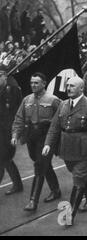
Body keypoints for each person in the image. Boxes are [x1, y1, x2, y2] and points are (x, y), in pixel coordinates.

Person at [42, 76, 87, 226]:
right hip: (67, 149)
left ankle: (68, 215)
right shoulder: (63, 105)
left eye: (72, 86)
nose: (68, 88)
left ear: (81, 89)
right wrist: (48, 144)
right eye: (67, 86)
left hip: (86, 149)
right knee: (79, 175)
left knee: (78, 177)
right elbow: (54, 127)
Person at [11, 73, 61, 211]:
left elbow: (62, 119)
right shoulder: (27, 100)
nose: (33, 85)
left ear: (44, 83)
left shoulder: (53, 100)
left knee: (39, 166)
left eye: (36, 83)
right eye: (32, 82)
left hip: (47, 137)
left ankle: (33, 201)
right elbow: (19, 118)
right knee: (41, 162)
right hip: (31, 137)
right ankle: (56, 190)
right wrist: (15, 134)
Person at [0, 64, 23, 195]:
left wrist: (15, 131)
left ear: (4, 75)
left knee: (3, 158)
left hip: (8, 130)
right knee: (5, 158)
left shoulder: (12, 89)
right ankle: (18, 184)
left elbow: (17, 111)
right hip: (1, 129)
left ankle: (18, 184)